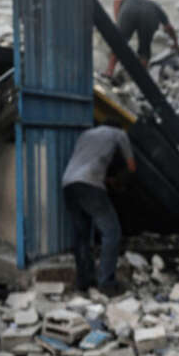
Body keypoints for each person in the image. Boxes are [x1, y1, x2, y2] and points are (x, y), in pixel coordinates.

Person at [62, 124, 136, 295]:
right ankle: (106, 283)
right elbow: (131, 167)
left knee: (81, 235)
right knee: (112, 232)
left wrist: (107, 179)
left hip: (68, 184)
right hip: (90, 184)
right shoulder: (119, 133)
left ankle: (84, 281)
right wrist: (119, 182)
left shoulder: (85, 134)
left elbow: (87, 160)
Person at [105, 0, 179, 77]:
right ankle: (141, 78)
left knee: (119, 43)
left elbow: (117, 1)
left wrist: (118, 21)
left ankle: (109, 72)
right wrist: (176, 42)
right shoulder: (154, 4)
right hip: (149, 14)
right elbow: (168, 27)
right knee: (145, 49)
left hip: (129, 10)